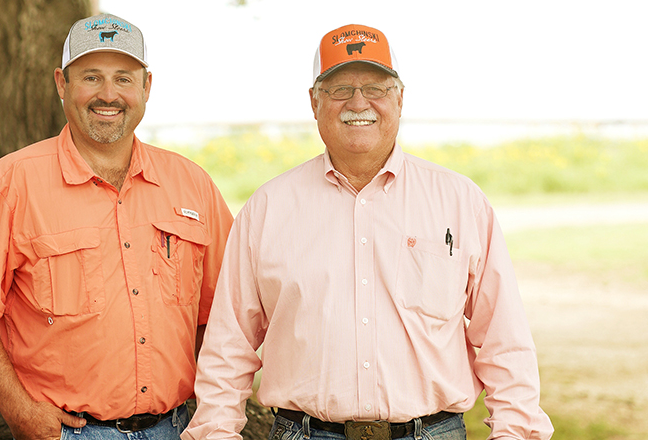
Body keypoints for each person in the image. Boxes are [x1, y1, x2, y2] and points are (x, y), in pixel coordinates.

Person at [183, 24, 554, 440]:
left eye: (376, 87)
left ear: (399, 97)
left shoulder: (460, 201)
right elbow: (227, 347)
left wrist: (516, 433)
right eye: (340, 88)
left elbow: (505, 339)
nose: (359, 102)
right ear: (314, 101)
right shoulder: (268, 209)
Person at [0, 13, 234, 440]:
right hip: (70, 433)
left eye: (124, 79)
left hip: (179, 428)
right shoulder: (11, 184)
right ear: (61, 84)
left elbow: (224, 310)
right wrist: (18, 409)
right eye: (91, 77)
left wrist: (216, 409)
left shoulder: (192, 184)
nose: (109, 94)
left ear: (146, 87)